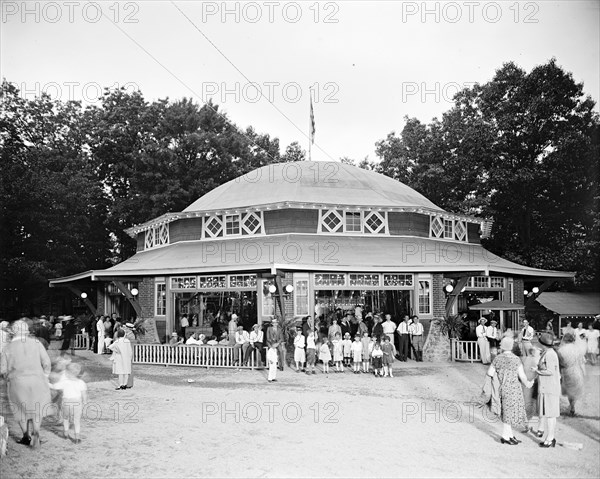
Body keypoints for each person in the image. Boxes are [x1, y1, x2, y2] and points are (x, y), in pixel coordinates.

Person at [0, 319, 52, 448]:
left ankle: (25, 436)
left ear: (13, 331)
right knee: (36, 408)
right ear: (27, 331)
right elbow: (46, 362)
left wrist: (7, 377)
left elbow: (2, 369)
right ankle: (36, 434)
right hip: (37, 380)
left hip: (17, 382)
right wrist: (45, 376)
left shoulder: (7, 348)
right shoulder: (36, 343)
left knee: (21, 409)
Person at [486, 336, 533, 445]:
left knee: (507, 412)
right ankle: (505, 436)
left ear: (502, 346)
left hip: (503, 388)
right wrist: (528, 384)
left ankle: (509, 435)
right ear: (511, 346)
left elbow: (490, 373)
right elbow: (522, 376)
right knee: (511, 412)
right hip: (515, 388)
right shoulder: (516, 359)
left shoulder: (498, 358)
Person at [532, 332, 561, 447]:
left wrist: (537, 370)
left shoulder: (550, 354)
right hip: (547, 387)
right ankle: (550, 438)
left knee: (550, 415)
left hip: (549, 387)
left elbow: (550, 371)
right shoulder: (548, 352)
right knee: (549, 414)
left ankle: (550, 438)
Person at [49, 362, 87, 444]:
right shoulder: (81, 383)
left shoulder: (65, 382)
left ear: (68, 373)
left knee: (65, 419)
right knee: (76, 421)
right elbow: (84, 395)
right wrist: (84, 403)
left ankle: (66, 433)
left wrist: (47, 383)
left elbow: (54, 386)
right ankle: (77, 438)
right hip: (77, 403)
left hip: (66, 402)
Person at [557, 333, 586, 416]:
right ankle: (572, 405)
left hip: (566, 371)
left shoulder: (561, 350)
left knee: (569, 389)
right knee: (575, 389)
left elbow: (559, 363)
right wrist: (584, 372)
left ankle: (571, 405)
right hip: (576, 370)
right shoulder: (577, 349)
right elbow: (582, 361)